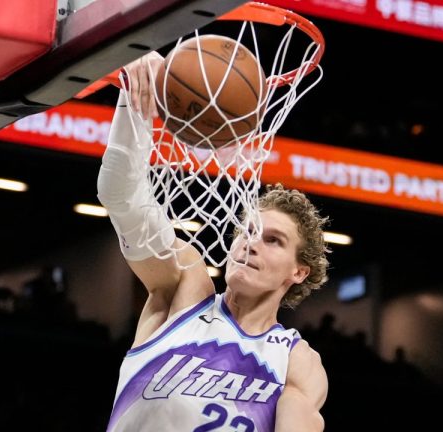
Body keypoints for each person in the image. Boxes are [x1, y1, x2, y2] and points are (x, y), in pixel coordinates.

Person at [97, 51, 330, 432]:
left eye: (273, 240)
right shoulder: (184, 289)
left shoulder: (295, 360)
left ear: (299, 271)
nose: (251, 244)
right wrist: (137, 101)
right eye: (248, 232)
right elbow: (120, 196)